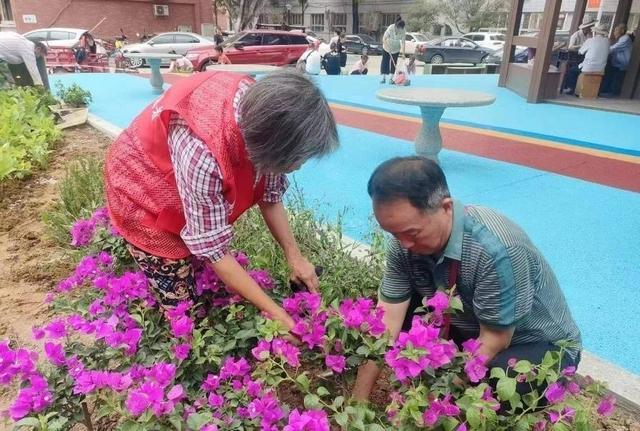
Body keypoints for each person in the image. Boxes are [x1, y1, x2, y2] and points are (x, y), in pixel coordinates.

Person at [104, 70, 339, 330]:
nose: (298, 168)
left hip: (186, 177)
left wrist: (296, 258)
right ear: (273, 147)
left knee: (200, 267)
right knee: (185, 312)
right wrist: (278, 315)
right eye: (298, 160)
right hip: (140, 188)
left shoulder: (263, 110)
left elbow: (269, 196)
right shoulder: (203, 151)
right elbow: (215, 251)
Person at [352, 157, 581, 400]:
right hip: (470, 327)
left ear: (446, 207)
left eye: (411, 233)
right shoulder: (404, 243)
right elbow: (387, 318)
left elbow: (494, 340)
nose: (404, 244)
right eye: (393, 234)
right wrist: (358, 401)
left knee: (502, 381)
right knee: (386, 316)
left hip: (535, 343)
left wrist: (438, 403)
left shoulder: (496, 249)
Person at [562, 23, 610, 95]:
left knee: (572, 71)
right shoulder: (607, 42)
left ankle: (571, 89)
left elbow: (580, 52)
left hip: (588, 67)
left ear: (596, 32)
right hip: (601, 68)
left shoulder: (590, 40)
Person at [601, 23, 633, 96]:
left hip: (622, 64)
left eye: (616, 30)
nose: (614, 32)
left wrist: (603, 49)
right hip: (617, 63)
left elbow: (614, 48)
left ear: (622, 31)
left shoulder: (625, 38)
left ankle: (609, 92)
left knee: (607, 70)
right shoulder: (621, 38)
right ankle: (607, 91)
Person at [380, 19, 406, 83]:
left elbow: (403, 42)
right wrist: (387, 47)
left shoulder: (403, 30)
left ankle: (391, 79)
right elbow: (384, 38)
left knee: (394, 63)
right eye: (399, 28)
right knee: (385, 62)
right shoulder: (391, 28)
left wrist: (403, 53)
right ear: (397, 26)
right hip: (387, 47)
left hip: (396, 49)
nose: (400, 29)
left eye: (401, 28)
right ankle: (383, 78)